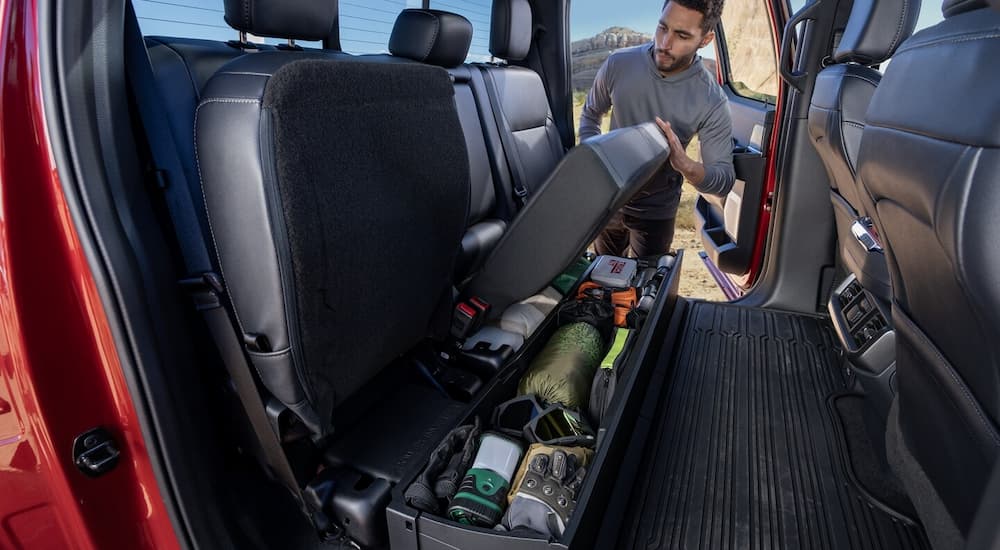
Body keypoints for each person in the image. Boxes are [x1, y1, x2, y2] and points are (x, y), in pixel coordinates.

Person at [579, 0, 735, 259]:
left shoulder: (712, 100)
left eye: (682, 35)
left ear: (705, 40)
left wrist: (685, 165)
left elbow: (723, 180)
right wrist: (595, 165)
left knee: (648, 281)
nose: (664, 43)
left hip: (657, 210)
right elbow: (590, 114)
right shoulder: (618, 63)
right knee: (603, 273)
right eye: (662, 28)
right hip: (609, 200)